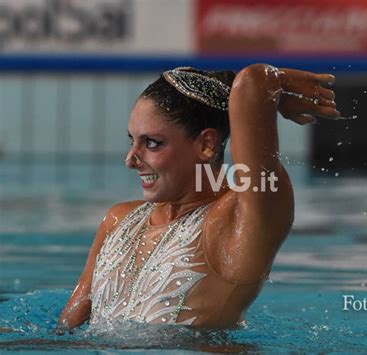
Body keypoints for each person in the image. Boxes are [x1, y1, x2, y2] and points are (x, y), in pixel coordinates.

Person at [57, 64, 340, 331]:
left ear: (206, 144)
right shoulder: (118, 221)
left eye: (152, 143)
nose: (130, 160)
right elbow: (65, 332)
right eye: (132, 140)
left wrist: (278, 83)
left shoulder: (232, 226)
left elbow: (253, 82)